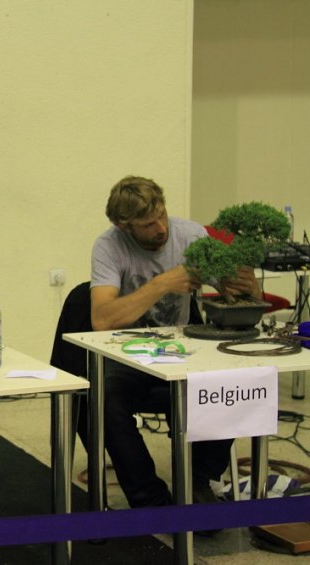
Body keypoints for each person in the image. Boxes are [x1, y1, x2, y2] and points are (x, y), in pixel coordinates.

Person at [90, 176, 261, 511]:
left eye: (162, 215)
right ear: (124, 226)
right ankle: (150, 499)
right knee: (105, 398)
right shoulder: (108, 246)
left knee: (232, 382)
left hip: (183, 351)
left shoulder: (190, 235)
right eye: (148, 224)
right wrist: (161, 285)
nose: (161, 228)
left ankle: (199, 480)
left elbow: (235, 294)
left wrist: (248, 287)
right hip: (127, 355)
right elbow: (102, 319)